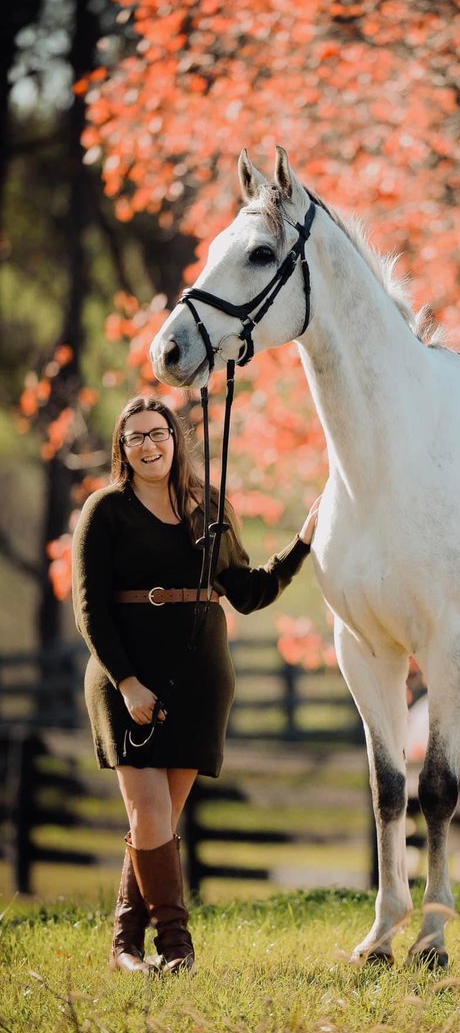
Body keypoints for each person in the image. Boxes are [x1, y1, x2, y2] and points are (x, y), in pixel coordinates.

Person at [72, 395, 320, 975]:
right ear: (122, 449)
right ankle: (176, 949)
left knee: (153, 825)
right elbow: (90, 610)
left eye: (157, 433)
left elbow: (248, 592)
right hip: (125, 679)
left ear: (175, 439)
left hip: (200, 680)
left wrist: (302, 543)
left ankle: (123, 950)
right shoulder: (105, 510)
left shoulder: (208, 505)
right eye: (134, 437)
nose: (148, 446)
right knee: (150, 813)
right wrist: (128, 683)